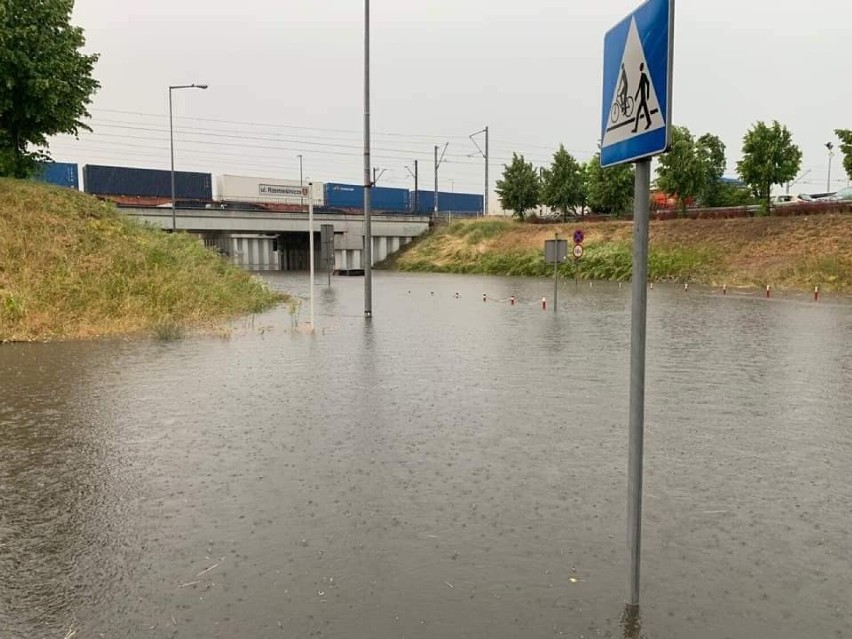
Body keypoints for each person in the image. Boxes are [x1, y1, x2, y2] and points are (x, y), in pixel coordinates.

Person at [632, 62, 652, 132]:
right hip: (641, 97)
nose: (640, 68)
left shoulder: (644, 75)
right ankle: (649, 122)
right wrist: (636, 95)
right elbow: (639, 87)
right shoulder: (641, 76)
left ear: (642, 68)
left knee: (638, 112)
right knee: (645, 111)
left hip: (643, 97)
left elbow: (648, 83)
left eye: (641, 66)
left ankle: (636, 128)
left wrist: (648, 94)